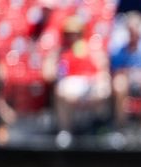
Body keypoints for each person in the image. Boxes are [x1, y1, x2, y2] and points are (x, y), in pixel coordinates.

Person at [44, 16, 112, 147]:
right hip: (69, 84)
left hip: (89, 84)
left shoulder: (92, 49)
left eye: (76, 33)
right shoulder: (59, 52)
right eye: (69, 34)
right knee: (61, 90)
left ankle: (100, 129)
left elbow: (103, 70)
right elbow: (48, 74)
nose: (72, 37)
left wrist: (99, 81)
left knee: (104, 89)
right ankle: (65, 131)